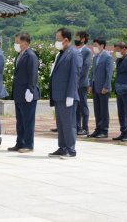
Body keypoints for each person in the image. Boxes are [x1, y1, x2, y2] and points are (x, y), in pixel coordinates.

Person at [48, 28, 81, 158]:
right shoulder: (61, 53)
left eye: (58, 40)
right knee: (61, 124)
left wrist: (70, 95)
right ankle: (62, 147)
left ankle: (71, 149)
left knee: (69, 124)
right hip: (58, 95)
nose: (56, 42)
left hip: (67, 95)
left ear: (66, 40)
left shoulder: (74, 54)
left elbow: (74, 75)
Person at [9, 32, 40, 153]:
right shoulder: (20, 55)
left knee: (28, 121)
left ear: (25, 43)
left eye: (17, 42)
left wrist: (30, 90)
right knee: (20, 121)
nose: (15, 44)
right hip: (19, 93)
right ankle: (20, 142)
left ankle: (28, 144)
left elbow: (33, 74)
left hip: (28, 93)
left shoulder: (30, 55)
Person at [87, 38, 113, 139]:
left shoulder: (108, 57)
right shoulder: (95, 57)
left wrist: (106, 86)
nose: (94, 47)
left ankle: (104, 130)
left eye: (96, 45)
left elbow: (109, 73)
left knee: (103, 110)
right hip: (95, 87)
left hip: (103, 88)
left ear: (102, 46)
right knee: (97, 110)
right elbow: (93, 73)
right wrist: (90, 85)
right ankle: (98, 129)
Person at [74, 31, 92, 136]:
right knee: (76, 107)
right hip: (75, 83)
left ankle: (85, 128)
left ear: (83, 39)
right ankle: (77, 127)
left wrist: (77, 82)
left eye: (77, 38)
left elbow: (85, 68)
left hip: (81, 83)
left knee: (83, 106)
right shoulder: (76, 50)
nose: (75, 40)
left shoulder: (87, 51)